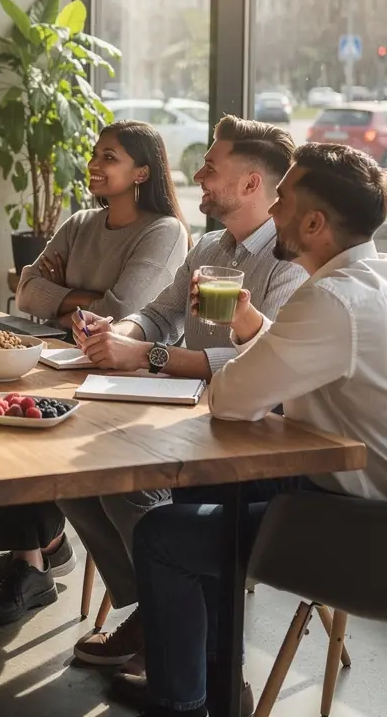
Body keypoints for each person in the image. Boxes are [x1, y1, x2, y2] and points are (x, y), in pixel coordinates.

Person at [132, 142, 387, 717]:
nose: (272, 212)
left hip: (360, 530)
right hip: (343, 490)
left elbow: (231, 399)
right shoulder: (371, 278)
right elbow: (310, 358)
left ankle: (182, 703)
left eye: (283, 200)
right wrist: (256, 330)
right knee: (202, 492)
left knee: (161, 537)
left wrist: (251, 348)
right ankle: (220, 690)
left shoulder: (326, 298)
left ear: (315, 223)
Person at [58, 116, 308, 670]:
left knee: (127, 490)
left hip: (246, 433)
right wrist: (115, 334)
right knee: (72, 478)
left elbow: (258, 363)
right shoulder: (212, 247)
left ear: (250, 184)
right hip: (190, 416)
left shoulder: (288, 262)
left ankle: (168, 621)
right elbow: (158, 315)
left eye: (210, 168)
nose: (196, 175)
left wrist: (147, 356)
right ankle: (158, 609)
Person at [0, 121, 191, 627]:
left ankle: (42, 552)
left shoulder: (163, 231)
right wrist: (79, 304)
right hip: (67, 363)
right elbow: (25, 291)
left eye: (109, 157)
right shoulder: (79, 222)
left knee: (34, 426)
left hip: (129, 381)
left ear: (141, 172)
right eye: (95, 153)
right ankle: (32, 556)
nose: (95, 163)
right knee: (5, 413)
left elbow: (123, 311)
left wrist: (61, 298)